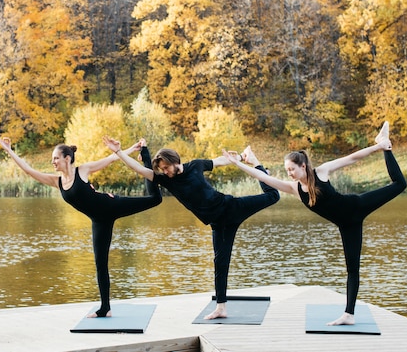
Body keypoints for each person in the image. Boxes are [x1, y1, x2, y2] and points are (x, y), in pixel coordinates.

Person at [223, 121, 407, 325]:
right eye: (287, 170)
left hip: (358, 205)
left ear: (303, 166)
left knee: (400, 184)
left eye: (291, 169)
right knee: (352, 269)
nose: (289, 173)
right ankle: (349, 315)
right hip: (348, 226)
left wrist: (378, 147)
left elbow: (352, 158)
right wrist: (237, 163)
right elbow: (262, 177)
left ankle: (384, 143)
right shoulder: (295, 189)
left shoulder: (322, 172)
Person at [104, 137, 280, 320]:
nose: (164, 171)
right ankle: (221, 308)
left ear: (175, 161)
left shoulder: (195, 165)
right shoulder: (167, 181)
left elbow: (218, 161)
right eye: (162, 169)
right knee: (220, 263)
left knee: (273, 195)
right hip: (218, 224)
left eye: (166, 167)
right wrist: (118, 151)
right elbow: (138, 168)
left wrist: (242, 158)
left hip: (231, 207)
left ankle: (256, 163)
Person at [0, 135, 162, 318]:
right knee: (101, 265)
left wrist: (134, 148)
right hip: (99, 221)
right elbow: (29, 171)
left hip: (112, 205)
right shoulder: (57, 182)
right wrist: (9, 150)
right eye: (52, 159)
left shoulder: (83, 170)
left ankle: (147, 157)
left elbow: (111, 159)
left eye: (56, 158)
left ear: (67, 158)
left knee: (155, 199)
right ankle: (105, 308)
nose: (53, 162)